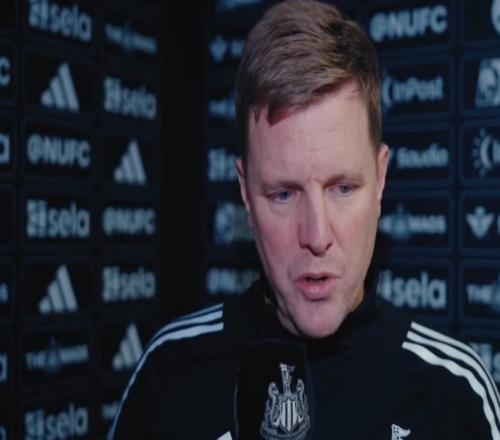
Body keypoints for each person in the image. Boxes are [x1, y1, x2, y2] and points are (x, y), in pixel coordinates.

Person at [110, 1, 500, 439]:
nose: (316, 236)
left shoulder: (455, 394)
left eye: (343, 188)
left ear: (381, 179)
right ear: (245, 194)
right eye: (283, 194)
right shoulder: (169, 373)